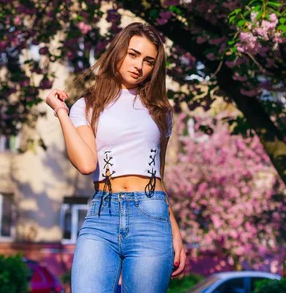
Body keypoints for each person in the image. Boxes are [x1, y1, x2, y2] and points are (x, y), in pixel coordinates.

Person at [46, 22, 186, 293]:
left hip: (151, 217)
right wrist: (61, 112)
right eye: (133, 54)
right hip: (102, 216)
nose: (139, 65)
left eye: (148, 61)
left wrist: (176, 233)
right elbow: (87, 164)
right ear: (119, 52)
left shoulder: (160, 111)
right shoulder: (86, 106)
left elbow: (159, 175)